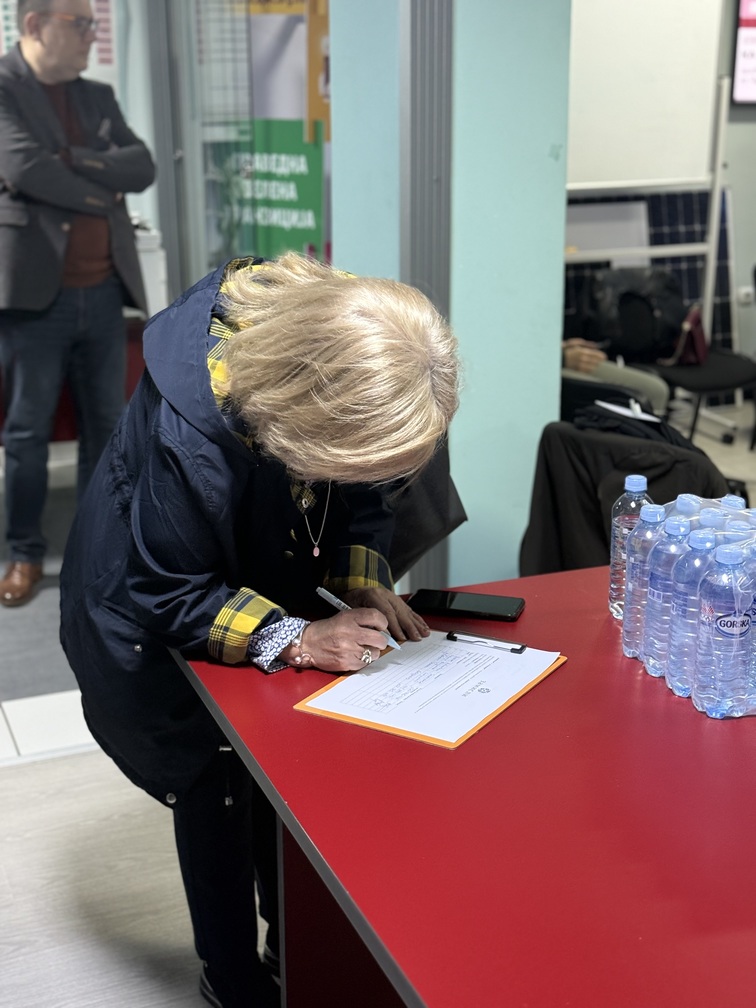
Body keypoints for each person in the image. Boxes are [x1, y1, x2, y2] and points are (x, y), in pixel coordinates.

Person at [59, 252, 460, 1008]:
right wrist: (298, 638)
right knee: (214, 788)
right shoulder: (191, 434)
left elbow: (364, 490)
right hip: (151, 597)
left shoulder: (351, 345)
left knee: (282, 786)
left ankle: (294, 944)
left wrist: (361, 576)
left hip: (258, 556)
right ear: (307, 425)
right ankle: (230, 976)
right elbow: (168, 589)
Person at [0, 0, 156, 607]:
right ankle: (23, 552)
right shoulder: (6, 87)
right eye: (81, 23)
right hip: (36, 299)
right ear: (34, 24)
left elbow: (140, 167)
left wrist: (72, 162)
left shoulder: (97, 96)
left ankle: (98, 548)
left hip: (105, 290)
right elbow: (25, 168)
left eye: (94, 22)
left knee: (107, 429)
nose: (93, 34)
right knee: (26, 431)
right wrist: (100, 189)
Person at [562, 337, 670, 415]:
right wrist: (562, 357)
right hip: (554, 363)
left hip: (559, 349)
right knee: (635, 395)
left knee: (656, 389)